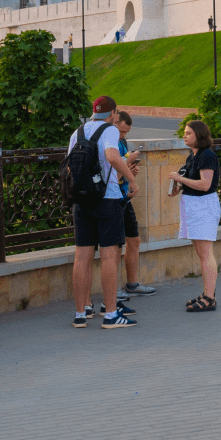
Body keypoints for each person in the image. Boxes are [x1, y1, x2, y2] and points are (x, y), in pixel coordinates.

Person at [66, 96, 136, 328]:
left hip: (81, 200)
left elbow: (69, 165)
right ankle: (111, 315)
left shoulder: (78, 132)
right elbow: (112, 156)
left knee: (82, 256)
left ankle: (80, 313)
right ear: (113, 113)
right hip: (107, 199)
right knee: (109, 255)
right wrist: (131, 178)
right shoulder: (110, 130)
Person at [170, 120, 221, 311]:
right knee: (201, 253)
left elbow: (205, 185)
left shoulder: (207, 155)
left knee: (206, 253)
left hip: (204, 206)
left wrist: (179, 179)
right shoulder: (193, 155)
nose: (184, 136)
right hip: (193, 205)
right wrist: (179, 187)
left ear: (199, 135)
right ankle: (208, 293)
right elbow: (192, 182)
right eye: (184, 132)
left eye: (188, 133)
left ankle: (209, 298)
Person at [114, 112, 154, 300]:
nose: (123, 135)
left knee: (134, 240)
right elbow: (110, 176)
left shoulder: (121, 141)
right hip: (114, 198)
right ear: (114, 123)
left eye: (126, 132)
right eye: (121, 130)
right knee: (113, 247)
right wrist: (127, 165)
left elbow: (123, 170)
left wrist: (131, 170)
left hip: (125, 196)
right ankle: (113, 289)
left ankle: (132, 283)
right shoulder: (108, 142)